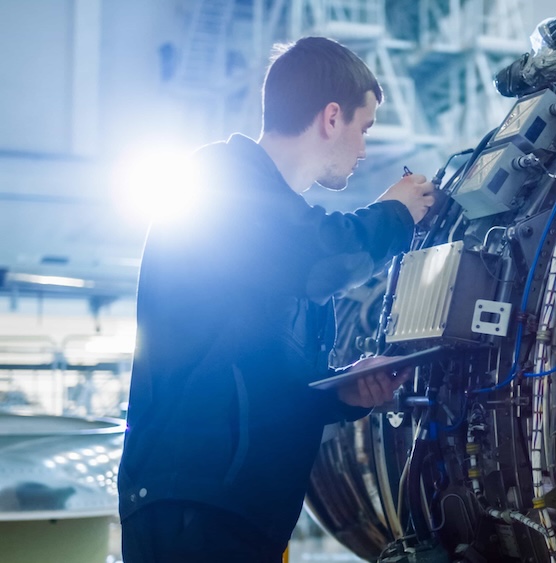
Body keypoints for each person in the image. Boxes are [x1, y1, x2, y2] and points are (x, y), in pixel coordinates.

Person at [118, 37, 435, 562]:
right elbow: (321, 259)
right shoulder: (219, 180)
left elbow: (265, 387)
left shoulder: (280, 239)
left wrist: (342, 396)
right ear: (332, 117)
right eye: (364, 128)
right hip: (192, 510)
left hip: (244, 517)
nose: (364, 149)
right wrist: (396, 214)